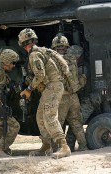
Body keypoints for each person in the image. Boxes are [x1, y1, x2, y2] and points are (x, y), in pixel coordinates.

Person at [18, 28, 71, 158]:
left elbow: (40, 75)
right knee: (40, 116)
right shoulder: (43, 50)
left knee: (49, 116)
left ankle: (64, 146)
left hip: (53, 86)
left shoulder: (34, 54)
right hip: (51, 87)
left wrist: (29, 89)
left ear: (23, 43)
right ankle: (46, 146)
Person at [51, 35, 87, 151]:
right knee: (76, 122)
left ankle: (56, 148)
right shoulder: (72, 58)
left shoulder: (53, 60)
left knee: (58, 123)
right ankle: (83, 145)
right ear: (67, 46)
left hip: (61, 97)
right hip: (73, 96)